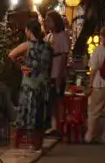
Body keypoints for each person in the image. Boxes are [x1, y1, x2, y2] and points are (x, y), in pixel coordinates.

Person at [7, 17, 52, 149]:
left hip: (29, 84)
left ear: (28, 31)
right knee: (40, 116)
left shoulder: (27, 45)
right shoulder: (47, 47)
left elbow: (11, 55)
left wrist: (22, 65)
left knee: (24, 114)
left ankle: (17, 144)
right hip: (43, 84)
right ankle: (37, 145)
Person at [44, 11, 71, 136]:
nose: (47, 23)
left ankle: (60, 125)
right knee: (51, 100)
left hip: (57, 71)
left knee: (58, 100)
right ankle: (53, 125)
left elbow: (64, 56)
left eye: (49, 20)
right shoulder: (48, 36)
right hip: (49, 71)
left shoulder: (63, 35)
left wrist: (60, 74)